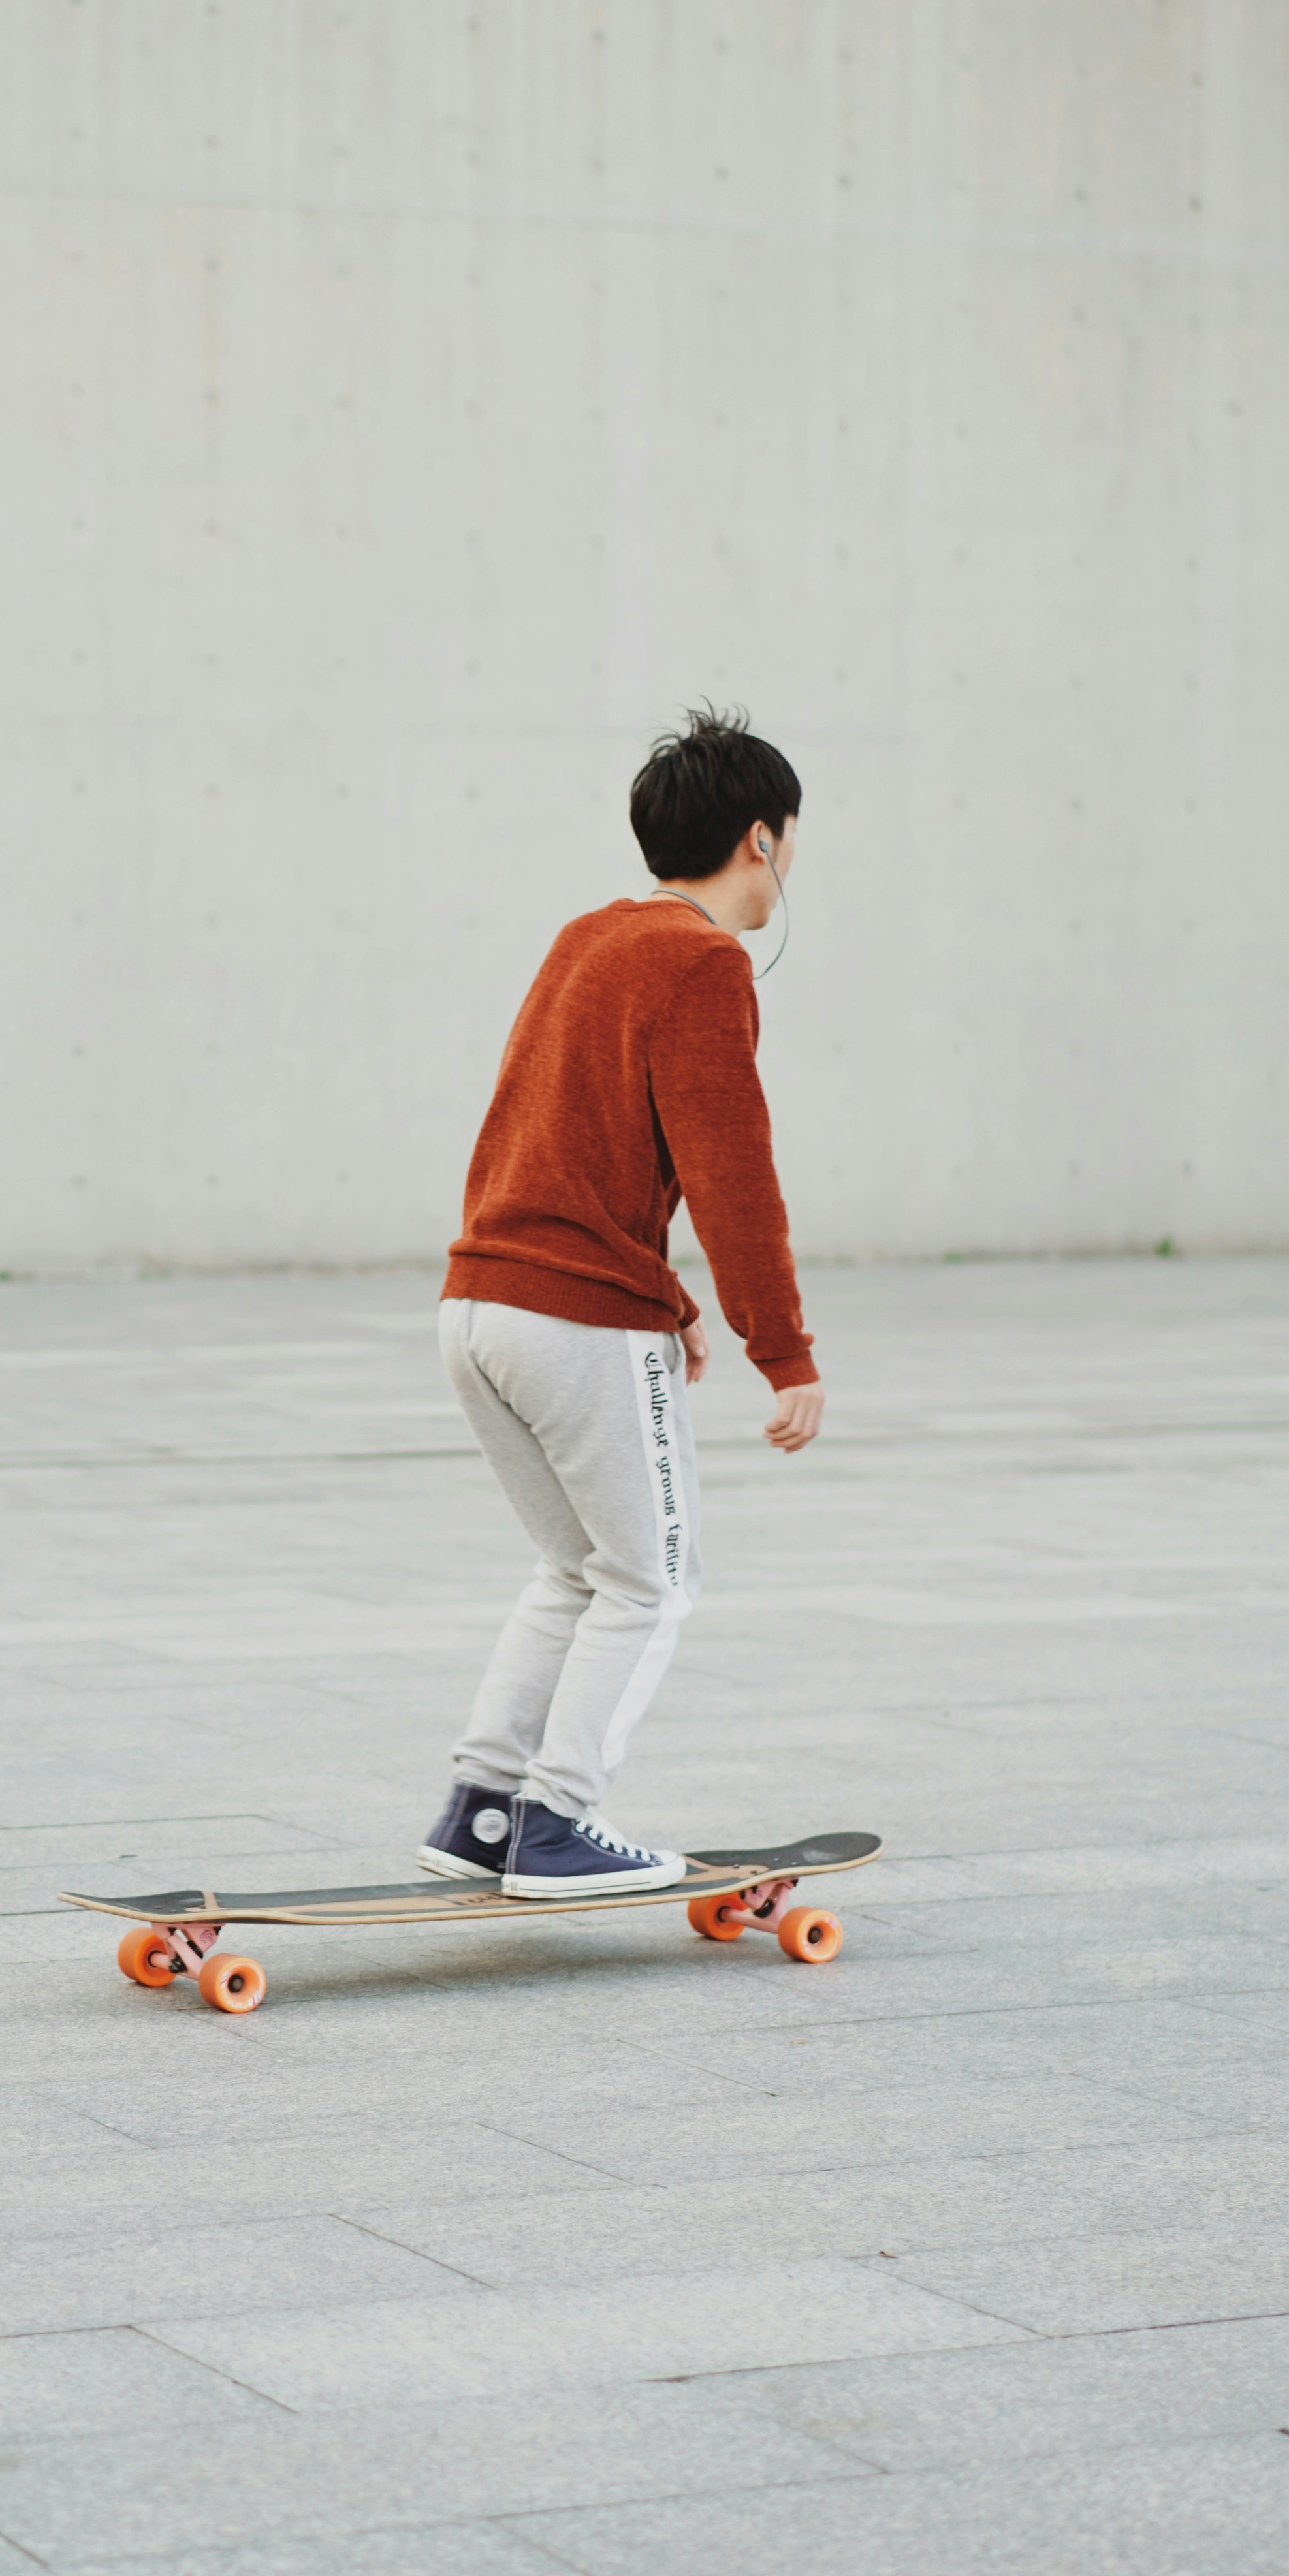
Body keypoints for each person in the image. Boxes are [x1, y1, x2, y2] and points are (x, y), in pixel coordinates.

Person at [421, 705, 823, 1898]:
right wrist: (782, 1349)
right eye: (791, 838)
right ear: (762, 838)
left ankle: (483, 1812)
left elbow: (551, 1135)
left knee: (577, 1571)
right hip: (571, 1323)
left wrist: (670, 1295)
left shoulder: (590, 939)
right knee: (654, 1580)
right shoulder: (703, 963)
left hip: (479, 1303)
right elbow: (731, 1173)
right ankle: (557, 1823)